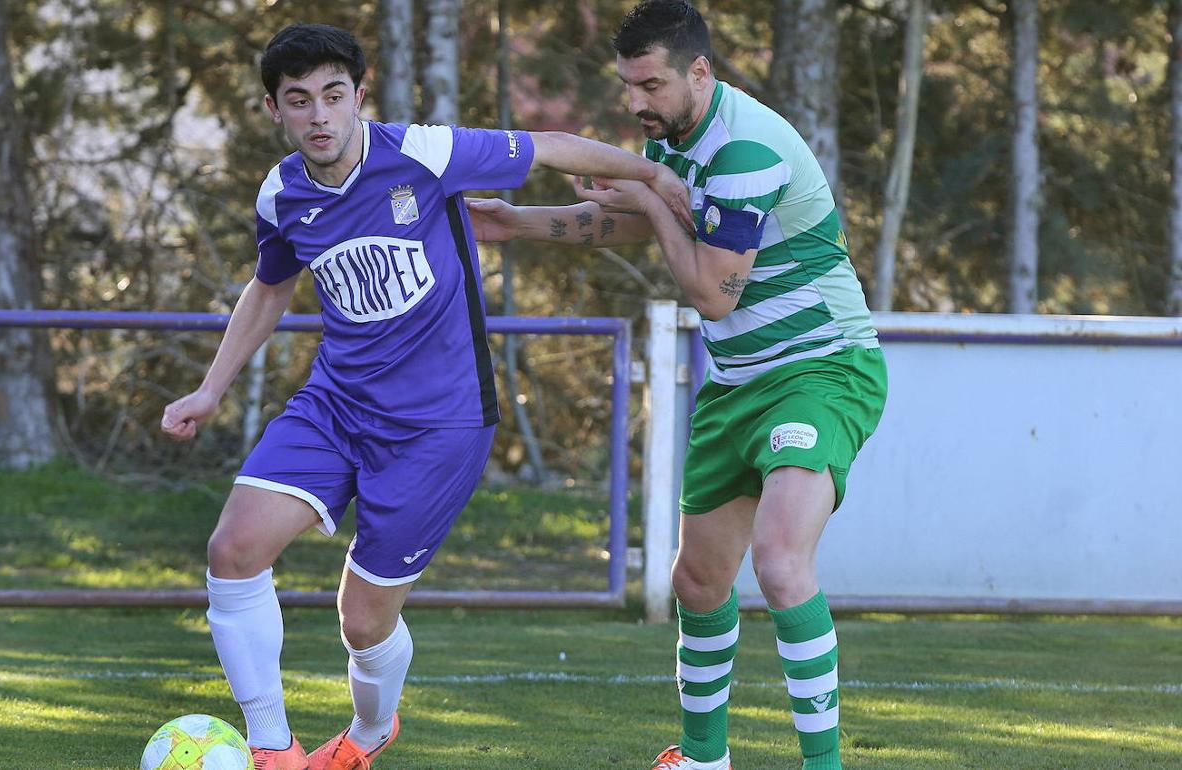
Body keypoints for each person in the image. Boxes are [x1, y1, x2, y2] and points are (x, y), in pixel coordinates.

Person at [160, 22, 688, 770]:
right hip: (336, 405)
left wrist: (654, 178)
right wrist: (212, 389)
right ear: (275, 110)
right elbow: (270, 286)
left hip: (440, 426)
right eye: (299, 100)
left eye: (333, 96)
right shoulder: (281, 193)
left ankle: (369, 735)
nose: (319, 116)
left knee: (363, 623)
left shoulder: (423, 154)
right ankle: (271, 749)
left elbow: (551, 145)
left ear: (359, 98)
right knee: (232, 550)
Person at [469, 2, 888, 769]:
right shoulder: (680, 138)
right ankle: (702, 761)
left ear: (700, 71)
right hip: (736, 384)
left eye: (651, 85)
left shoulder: (747, 147)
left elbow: (711, 292)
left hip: (820, 371)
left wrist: (652, 202)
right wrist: (516, 223)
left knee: (780, 560)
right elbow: (647, 219)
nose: (636, 103)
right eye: (628, 85)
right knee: (697, 580)